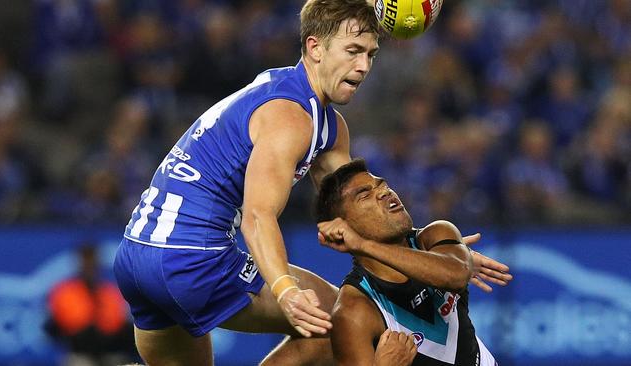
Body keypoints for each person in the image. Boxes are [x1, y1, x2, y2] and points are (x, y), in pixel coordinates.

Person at [113, 1, 508, 365]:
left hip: (135, 256)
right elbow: (256, 217)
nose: (364, 66)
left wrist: (437, 256)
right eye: (353, 51)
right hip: (190, 257)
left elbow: (361, 206)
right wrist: (285, 290)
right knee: (332, 320)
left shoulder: (321, 122)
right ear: (315, 48)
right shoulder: (290, 118)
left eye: (371, 53)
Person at [315, 159, 511, 365]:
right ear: (342, 228)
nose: (385, 192)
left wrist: (362, 245)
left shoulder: (435, 234)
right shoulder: (354, 311)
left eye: (384, 185)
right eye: (365, 195)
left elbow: (456, 275)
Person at [45, 244, 135, 366]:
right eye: (86, 261)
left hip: (111, 352)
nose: (89, 266)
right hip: (79, 354)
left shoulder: (110, 292)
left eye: (92, 261)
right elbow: (53, 327)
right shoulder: (64, 293)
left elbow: (122, 324)